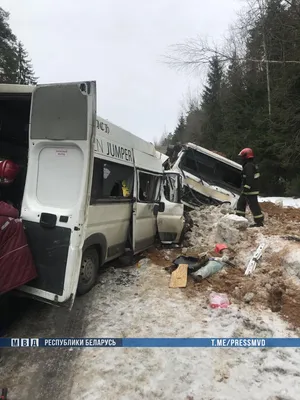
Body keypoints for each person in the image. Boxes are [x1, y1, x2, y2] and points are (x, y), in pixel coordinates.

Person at [236, 148, 264, 227]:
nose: (241, 158)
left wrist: (246, 187)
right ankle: (239, 219)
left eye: (242, 156)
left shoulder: (248, 166)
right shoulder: (251, 164)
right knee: (242, 203)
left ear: (246, 156)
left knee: (252, 205)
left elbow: (249, 178)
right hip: (251, 189)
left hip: (250, 190)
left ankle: (259, 222)